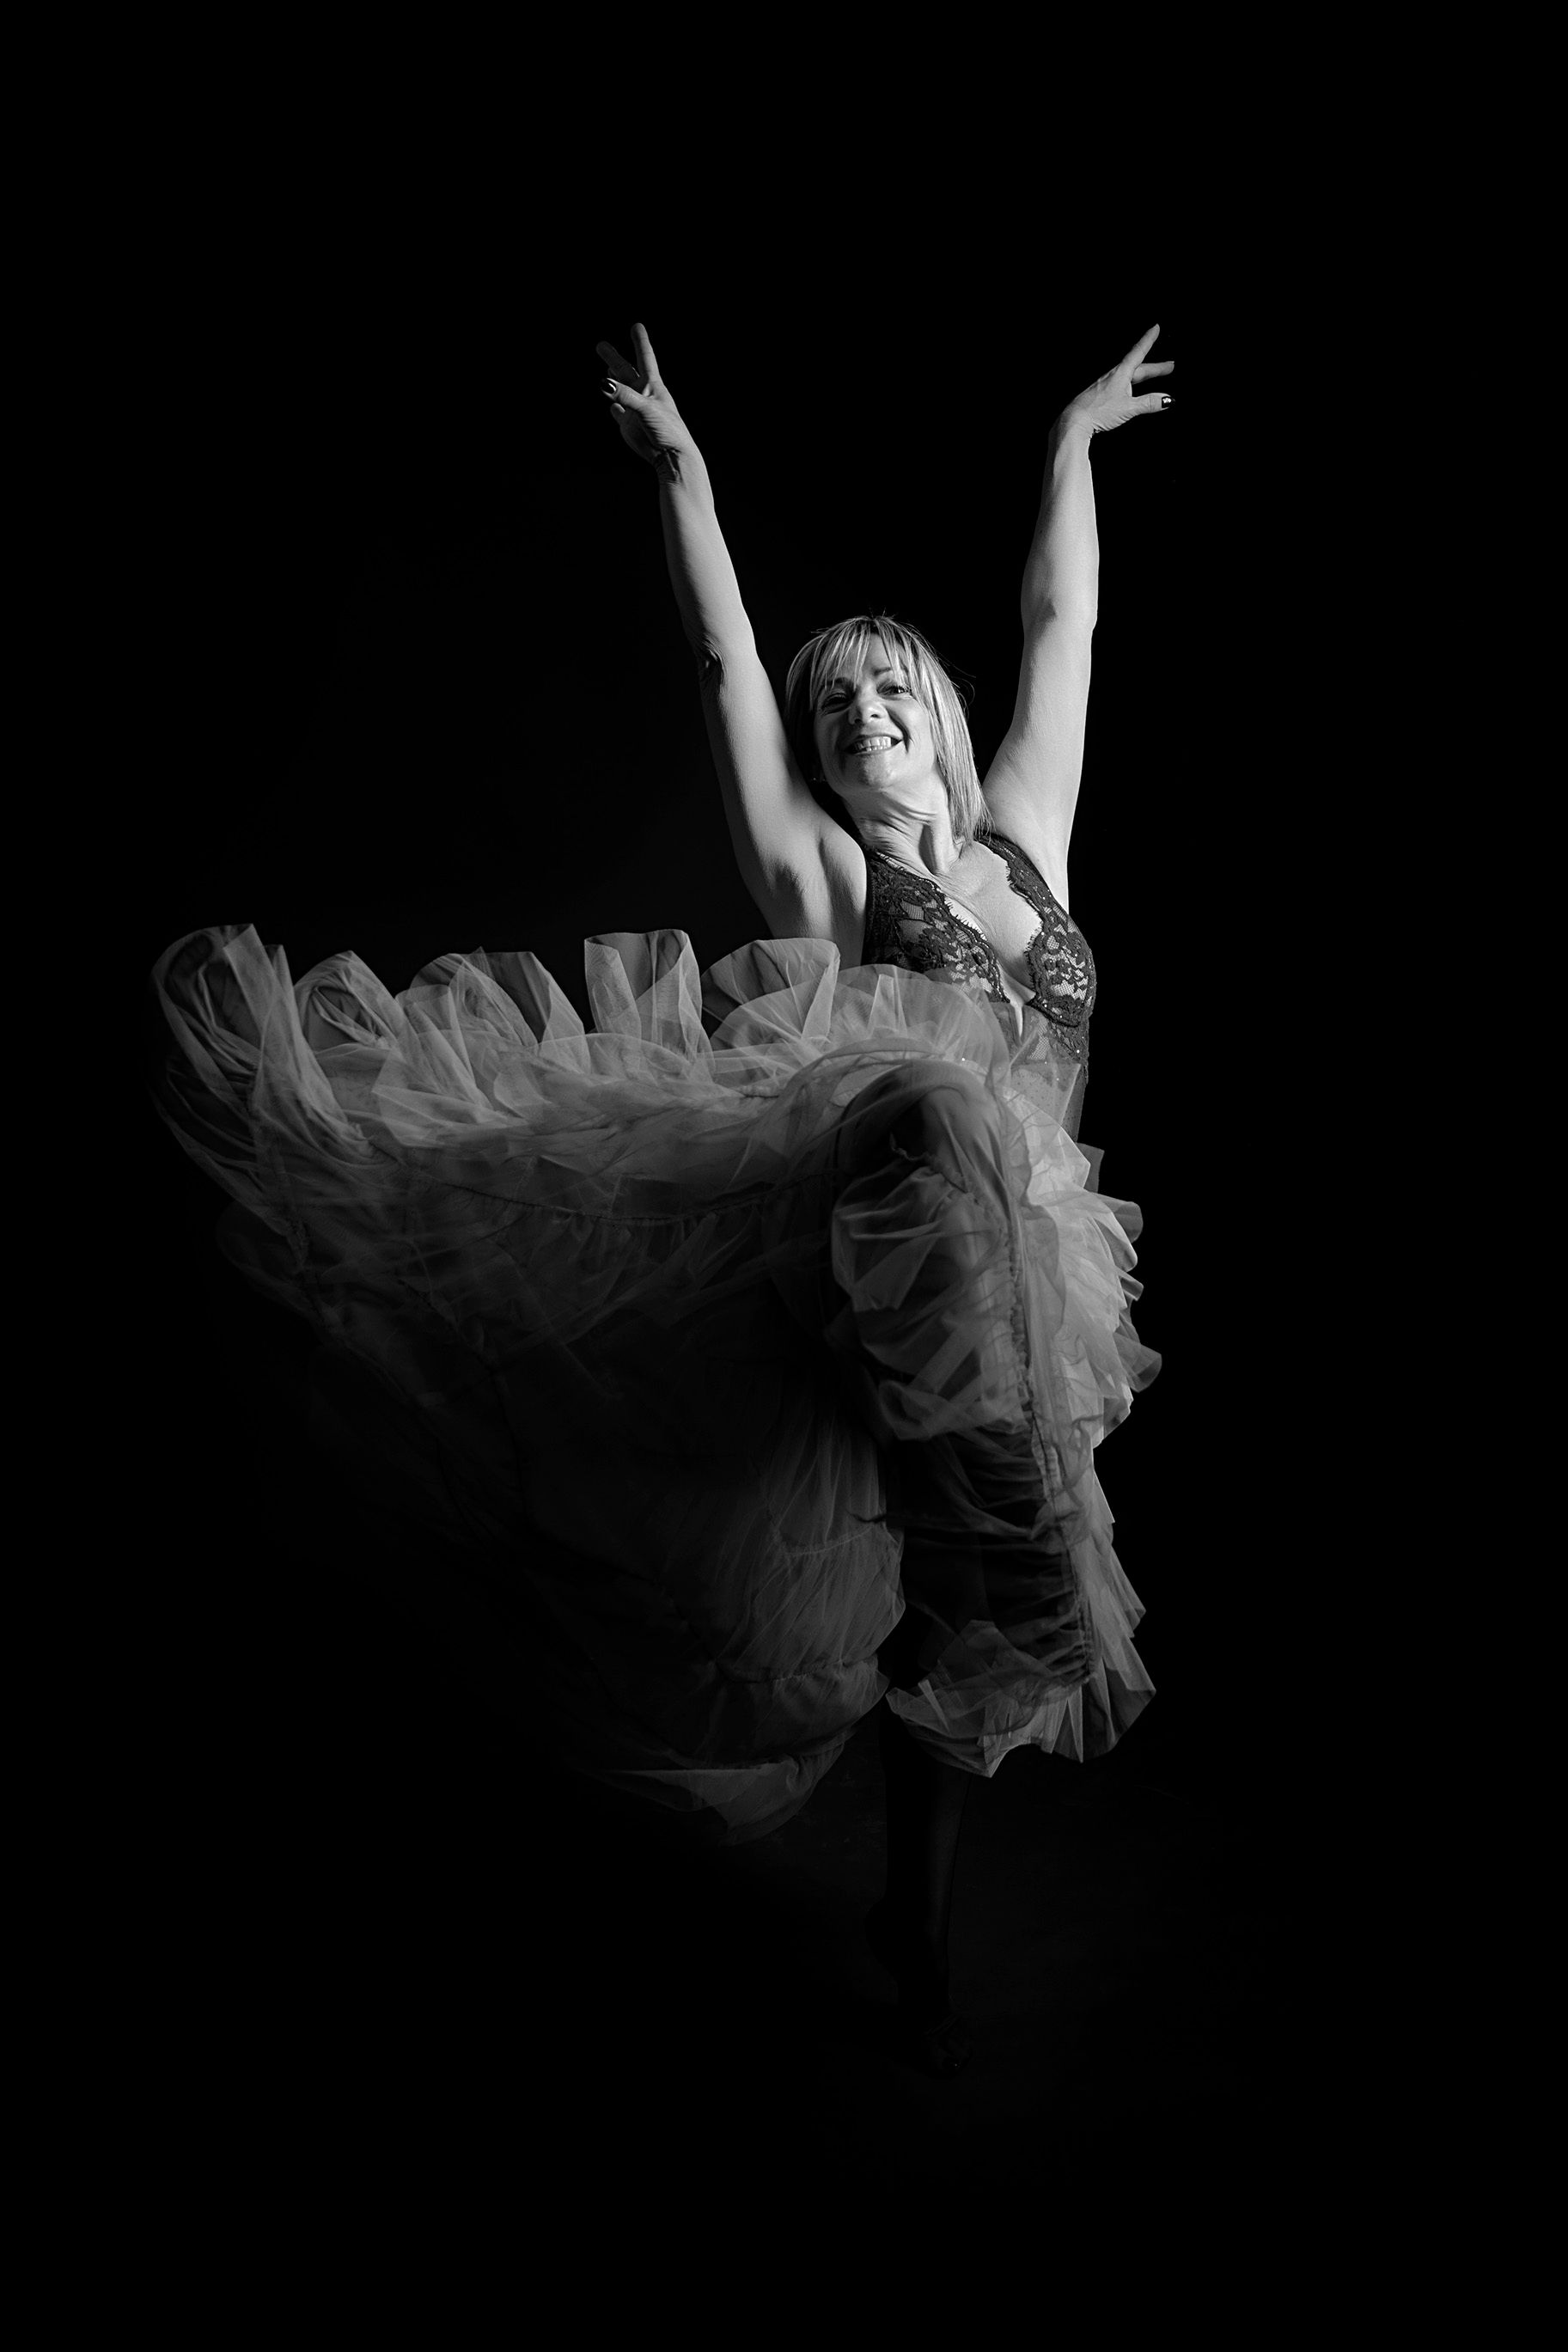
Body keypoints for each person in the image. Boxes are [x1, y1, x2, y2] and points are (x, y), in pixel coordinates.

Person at [149, 321, 1169, 2079]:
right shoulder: (820, 864)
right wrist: (684, 475)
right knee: (931, 1106)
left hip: (1036, 1273)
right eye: (834, 707)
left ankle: (908, 1909)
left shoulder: (1024, 839)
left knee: (998, 1608)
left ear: (934, 704)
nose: (862, 717)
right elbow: (716, 667)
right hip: (890, 1228)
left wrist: (1074, 438)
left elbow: (1061, 628)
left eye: (886, 691)